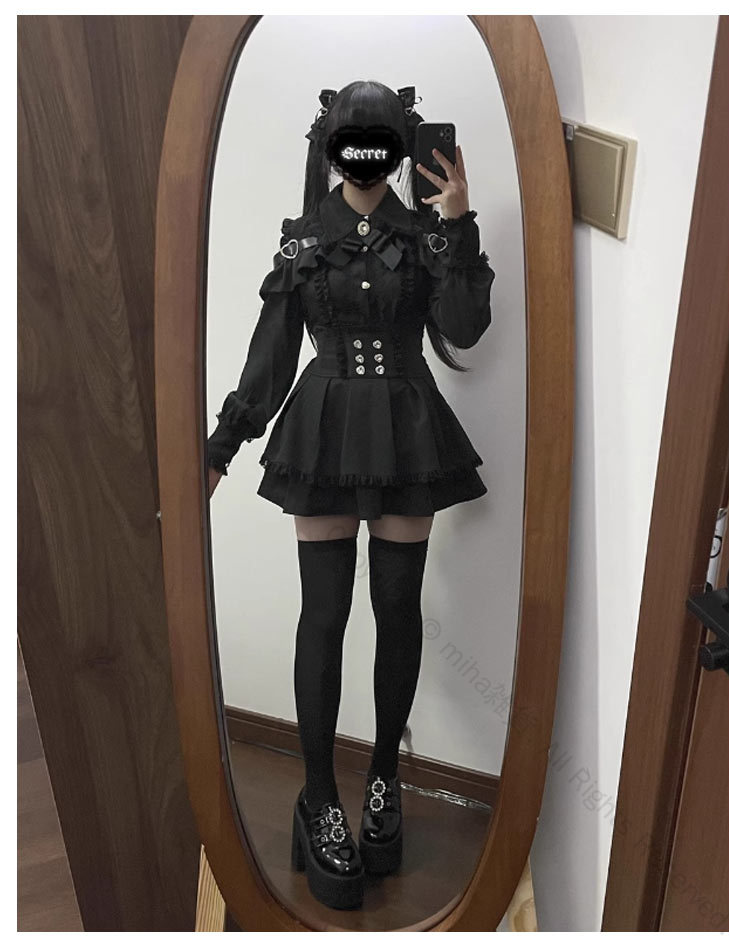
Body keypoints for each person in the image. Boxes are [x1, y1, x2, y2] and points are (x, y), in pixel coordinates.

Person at [206, 81, 494, 909]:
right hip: (323, 433)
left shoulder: (429, 234)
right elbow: (271, 354)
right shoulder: (304, 241)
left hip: (409, 433)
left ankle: (384, 779)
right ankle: (320, 798)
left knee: (398, 612)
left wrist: (457, 221)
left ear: (400, 148)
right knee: (324, 615)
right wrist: (223, 446)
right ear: (331, 146)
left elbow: (465, 328)